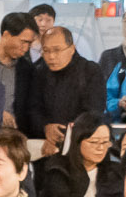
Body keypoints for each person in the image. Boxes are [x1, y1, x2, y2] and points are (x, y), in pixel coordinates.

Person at [19, 24, 106, 154]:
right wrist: (45, 127)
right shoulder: (39, 72)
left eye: (57, 50)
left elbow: (93, 111)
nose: (51, 56)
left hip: (79, 145)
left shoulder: (90, 71)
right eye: (46, 51)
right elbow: (33, 108)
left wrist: (62, 133)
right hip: (45, 144)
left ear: (72, 48)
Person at [36, 114, 115, 197]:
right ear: (77, 140)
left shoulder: (115, 171)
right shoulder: (57, 168)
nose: (100, 148)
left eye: (105, 142)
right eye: (94, 142)